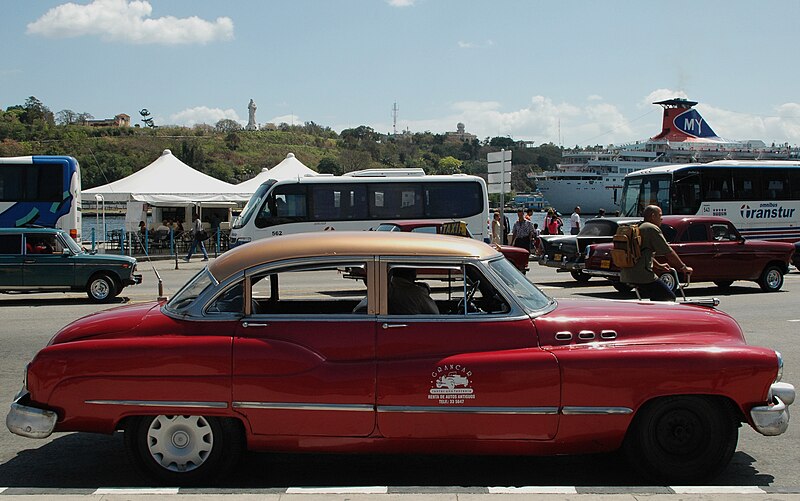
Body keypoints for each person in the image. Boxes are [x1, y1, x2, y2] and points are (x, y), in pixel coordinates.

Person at [620, 205, 693, 301]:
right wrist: (683, 267)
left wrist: (658, 266)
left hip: (627, 274)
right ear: (653, 216)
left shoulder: (639, 227)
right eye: (660, 215)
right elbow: (668, 252)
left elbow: (641, 252)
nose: (661, 219)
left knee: (657, 297)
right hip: (642, 275)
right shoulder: (651, 229)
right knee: (668, 297)